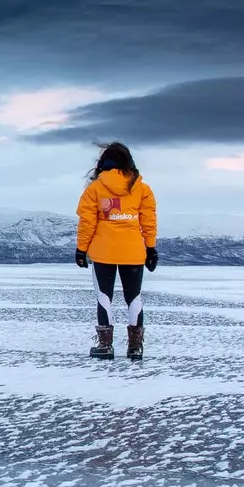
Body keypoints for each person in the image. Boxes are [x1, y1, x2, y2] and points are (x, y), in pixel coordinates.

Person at [74, 141, 158, 360]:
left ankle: (105, 346)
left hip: (104, 252)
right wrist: (150, 248)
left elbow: (87, 222)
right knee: (134, 298)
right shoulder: (142, 189)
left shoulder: (95, 189)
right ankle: (135, 347)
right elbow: (148, 221)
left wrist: (81, 250)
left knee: (104, 297)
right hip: (133, 252)